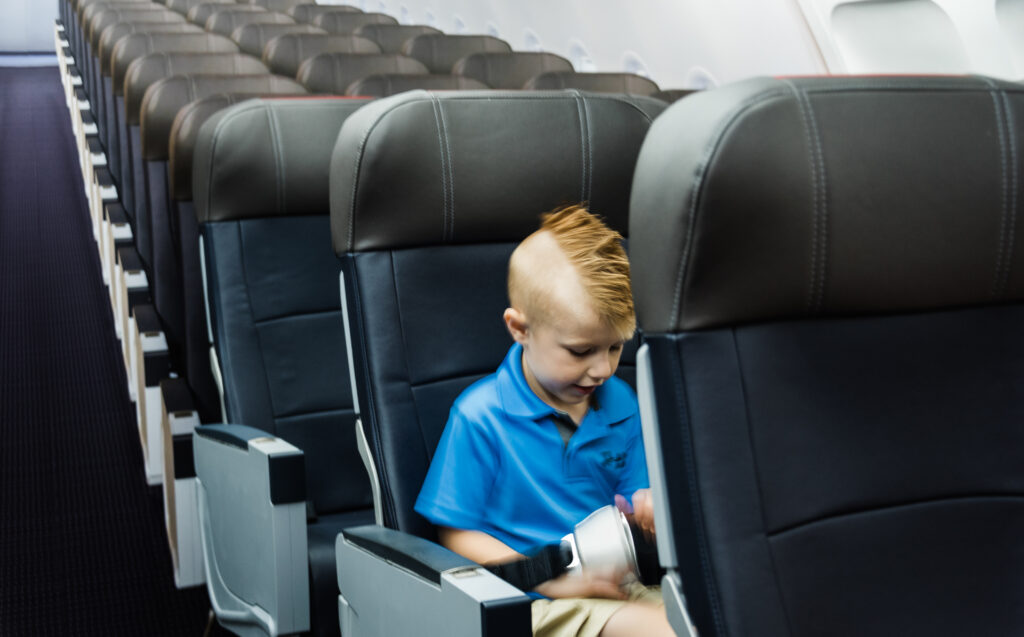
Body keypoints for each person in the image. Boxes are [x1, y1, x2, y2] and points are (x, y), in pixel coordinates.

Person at [415, 205, 674, 636]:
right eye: (580, 351)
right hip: (533, 601)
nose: (603, 370)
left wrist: (648, 511)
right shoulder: (481, 417)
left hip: (615, 588)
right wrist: (546, 575)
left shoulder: (621, 404)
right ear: (520, 329)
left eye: (614, 348)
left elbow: (630, 504)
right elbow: (456, 534)